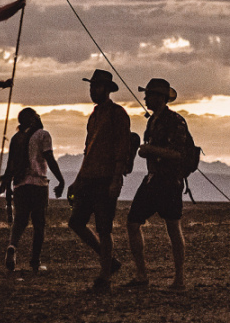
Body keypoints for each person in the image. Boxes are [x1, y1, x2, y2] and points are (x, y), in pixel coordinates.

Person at [68, 69, 134, 292]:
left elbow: (122, 148)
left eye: (96, 87)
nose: (92, 90)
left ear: (106, 89)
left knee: (104, 229)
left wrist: (116, 179)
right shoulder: (94, 115)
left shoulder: (118, 114)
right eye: (91, 86)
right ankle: (110, 262)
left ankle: (105, 277)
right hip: (88, 177)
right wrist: (77, 180)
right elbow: (88, 150)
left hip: (106, 178)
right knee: (76, 222)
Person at [126, 78, 191, 291]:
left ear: (160, 98)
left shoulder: (176, 121)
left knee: (173, 227)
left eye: (150, 94)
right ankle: (142, 275)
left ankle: (179, 279)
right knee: (133, 222)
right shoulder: (151, 121)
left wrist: (151, 150)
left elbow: (179, 154)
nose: (145, 98)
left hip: (170, 182)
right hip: (152, 180)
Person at [0, 108, 65, 274]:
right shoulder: (43, 135)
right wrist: (60, 179)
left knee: (20, 221)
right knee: (39, 224)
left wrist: (8, 186)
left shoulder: (16, 138)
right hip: (38, 184)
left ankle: (12, 246)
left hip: (20, 186)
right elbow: (49, 158)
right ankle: (35, 262)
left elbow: (10, 165)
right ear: (33, 119)